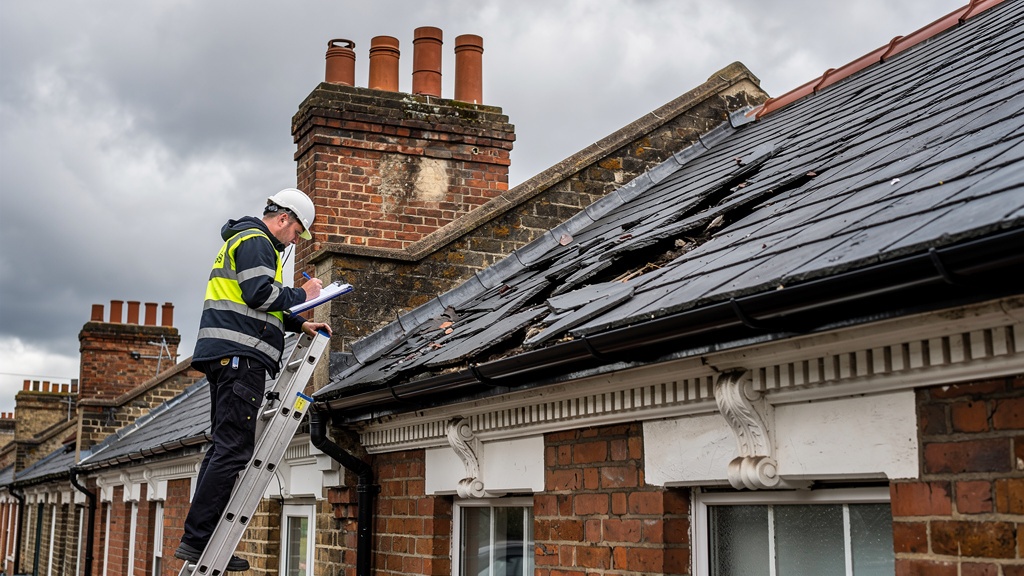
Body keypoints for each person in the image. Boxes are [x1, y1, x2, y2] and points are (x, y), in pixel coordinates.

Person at [175, 188, 332, 571]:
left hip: (227, 355)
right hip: (240, 357)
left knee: (223, 447)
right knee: (233, 449)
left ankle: (200, 538)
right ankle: (199, 541)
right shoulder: (257, 242)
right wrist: (305, 293)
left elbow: (256, 303)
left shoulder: (246, 241)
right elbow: (260, 293)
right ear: (283, 219)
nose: (296, 240)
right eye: (296, 232)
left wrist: (299, 321)